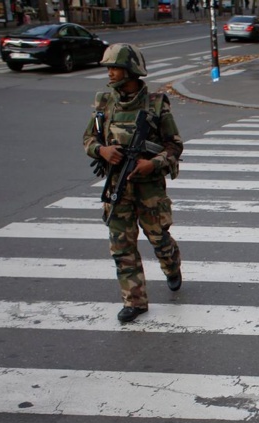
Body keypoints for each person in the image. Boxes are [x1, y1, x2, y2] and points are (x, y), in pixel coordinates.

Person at [82, 44, 184, 323]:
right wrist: (101, 151)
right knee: (121, 248)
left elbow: (174, 146)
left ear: (130, 71)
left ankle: (171, 266)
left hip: (149, 188)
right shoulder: (104, 102)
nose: (110, 73)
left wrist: (153, 163)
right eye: (108, 68)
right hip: (117, 188)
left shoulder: (156, 103)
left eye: (114, 67)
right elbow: (89, 139)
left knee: (159, 240)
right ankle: (134, 301)